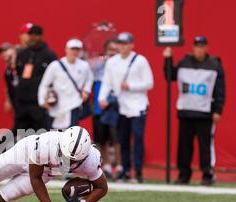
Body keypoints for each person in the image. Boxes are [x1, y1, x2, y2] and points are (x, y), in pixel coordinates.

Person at [164, 36, 226, 186]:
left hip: (205, 112)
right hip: (186, 111)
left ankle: (207, 174)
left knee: (205, 146)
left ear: (207, 47)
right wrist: (168, 59)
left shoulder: (214, 64)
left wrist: (218, 109)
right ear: (193, 47)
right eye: (197, 46)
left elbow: (220, 89)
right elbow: (170, 76)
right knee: (184, 146)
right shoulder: (184, 62)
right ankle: (184, 174)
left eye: (202, 46)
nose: (199, 49)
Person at [98, 32, 154, 183]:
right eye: (120, 43)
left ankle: (139, 171)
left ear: (131, 45)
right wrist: (101, 98)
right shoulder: (112, 62)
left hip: (138, 106)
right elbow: (107, 82)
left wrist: (131, 86)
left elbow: (149, 83)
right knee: (122, 140)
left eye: (125, 43)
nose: (122, 46)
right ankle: (125, 170)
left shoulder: (140, 60)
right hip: (121, 106)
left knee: (138, 138)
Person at [38, 38, 93, 129]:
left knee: (72, 133)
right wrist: (42, 100)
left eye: (77, 49)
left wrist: (86, 91)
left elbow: (90, 79)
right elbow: (45, 84)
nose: (74, 52)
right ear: (66, 49)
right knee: (54, 133)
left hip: (74, 103)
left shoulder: (84, 65)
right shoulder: (55, 65)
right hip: (57, 104)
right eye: (72, 49)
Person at [15, 24, 57, 133]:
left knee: (40, 133)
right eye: (30, 35)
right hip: (23, 102)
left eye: (36, 35)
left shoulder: (49, 55)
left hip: (38, 103)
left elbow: (53, 79)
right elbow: (20, 74)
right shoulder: (22, 54)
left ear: (41, 36)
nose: (33, 38)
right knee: (21, 133)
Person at [90, 39, 122, 180]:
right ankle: (107, 166)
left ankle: (120, 166)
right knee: (101, 139)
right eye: (110, 49)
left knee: (116, 138)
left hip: (116, 106)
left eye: (115, 49)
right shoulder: (98, 65)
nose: (112, 52)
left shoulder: (121, 66)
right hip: (99, 107)